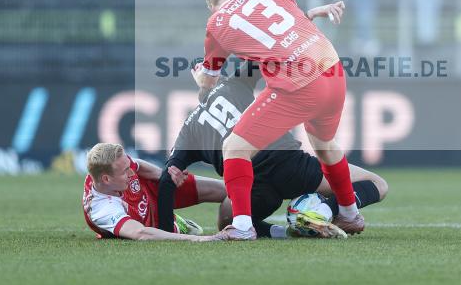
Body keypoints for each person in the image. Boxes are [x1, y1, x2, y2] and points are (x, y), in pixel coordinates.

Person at [195, 0, 394, 240]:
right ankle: (349, 214)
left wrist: (200, 81)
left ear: (212, 4)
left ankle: (243, 227)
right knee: (326, 146)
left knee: (235, 147)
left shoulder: (215, 24)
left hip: (299, 84)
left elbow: (210, 82)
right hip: (332, 70)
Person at [159, 53, 389, 239]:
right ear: (215, 76)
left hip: (254, 191)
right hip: (289, 166)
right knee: (377, 184)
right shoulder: (234, 83)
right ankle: (320, 210)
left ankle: (283, 233)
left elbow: (167, 180)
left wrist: (165, 228)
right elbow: (270, 54)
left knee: (227, 219)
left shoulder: (188, 130)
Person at [81, 142, 223, 241]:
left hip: (149, 188)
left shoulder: (112, 166)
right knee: (152, 230)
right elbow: (140, 233)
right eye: (125, 171)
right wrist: (198, 239)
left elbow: (138, 165)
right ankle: (177, 224)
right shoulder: (104, 210)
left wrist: (167, 177)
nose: (131, 173)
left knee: (227, 189)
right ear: (106, 179)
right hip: (146, 222)